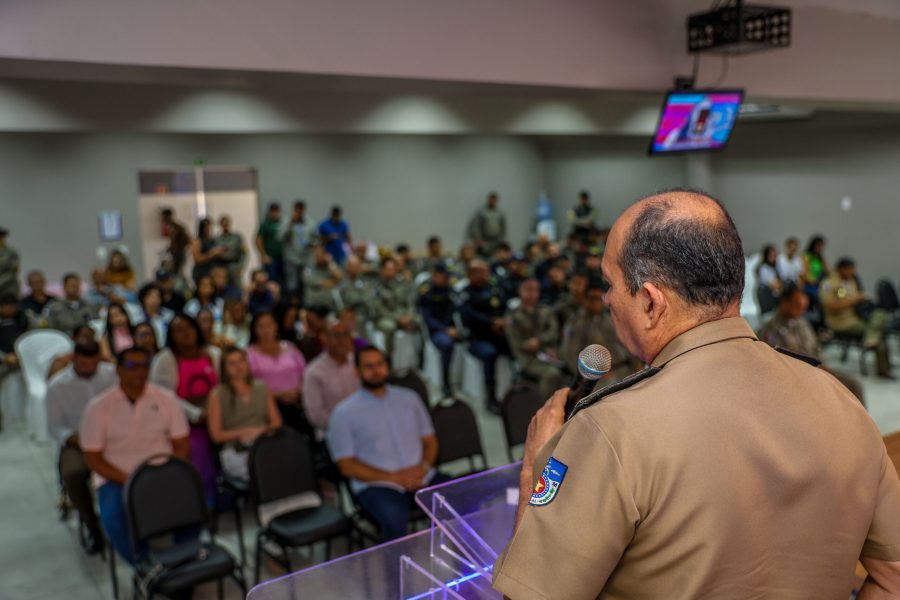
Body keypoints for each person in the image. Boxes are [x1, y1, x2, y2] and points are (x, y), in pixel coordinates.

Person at [492, 189, 900, 599]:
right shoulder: (839, 398)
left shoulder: (610, 431)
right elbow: (891, 577)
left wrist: (532, 474)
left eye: (609, 283)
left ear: (651, 302)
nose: (607, 300)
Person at [81, 346, 190, 564]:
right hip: (117, 478)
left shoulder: (166, 399)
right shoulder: (98, 407)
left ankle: (182, 562)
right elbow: (92, 458)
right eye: (132, 365)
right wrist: (130, 479)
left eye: (144, 366)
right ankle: (144, 566)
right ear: (119, 370)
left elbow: (181, 446)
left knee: (192, 507)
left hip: (162, 473)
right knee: (112, 518)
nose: (139, 371)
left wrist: (165, 474)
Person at [327, 346, 445, 541]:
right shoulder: (343, 413)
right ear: (357, 371)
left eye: (380, 364)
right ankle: (396, 569)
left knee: (461, 499)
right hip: (377, 484)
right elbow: (347, 466)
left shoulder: (409, 398)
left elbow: (430, 441)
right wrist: (394, 478)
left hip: (420, 475)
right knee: (394, 518)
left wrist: (422, 468)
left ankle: (469, 565)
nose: (376, 370)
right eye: (369, 366)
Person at [46, 337, 117, 555]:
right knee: (74, 473)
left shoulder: (110, 374)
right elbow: (55, 427)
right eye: (84, 364)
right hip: (78, 441)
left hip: (112, 436)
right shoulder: (58, 385)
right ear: (74, 358)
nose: (90, 369)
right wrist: (77, 439)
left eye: (94, 364)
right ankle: (92, 525)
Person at [149, 314, 221, 502]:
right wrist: (196, 415)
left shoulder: (213, 354)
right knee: (198, 453)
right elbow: (166, 397)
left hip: (217, 414)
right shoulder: (165, 360)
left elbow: (223, 387)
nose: (186, 333)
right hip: (183, 421)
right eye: (178, 330)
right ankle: (203, 502)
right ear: (171, 336)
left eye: (189, 327)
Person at [758, 282, 865, 402]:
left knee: (854, 385)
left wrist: (824, 367)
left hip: (819, 372)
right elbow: (775, 365)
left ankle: (858, 421)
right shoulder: (770, 329)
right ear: (784, 303)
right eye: (797, 306)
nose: (801, 311)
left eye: (804, 307)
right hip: (797, 380)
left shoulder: (801, 322)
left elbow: (814, 348)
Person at [207, 346, 282, 480]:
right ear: (224, 368)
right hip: (236, 451)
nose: (238, 367)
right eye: (232, 363)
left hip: (264, 444)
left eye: (241, 361)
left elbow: (276, 422)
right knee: (263, 470)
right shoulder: (217, 395)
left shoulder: (262, 387)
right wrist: (244, 433)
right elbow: (216, 435)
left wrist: (260, 432)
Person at [820, 257, 894, 379]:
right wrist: (855, 299)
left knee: (880, 316)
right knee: (878, 333)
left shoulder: (851, 281)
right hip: (840, 322)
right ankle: (883, 369)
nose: (853, 272)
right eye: (850, 269)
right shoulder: (828, 283)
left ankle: (877, 350)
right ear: (841, 269)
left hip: (855, 318)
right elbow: (829, 306)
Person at [459, 259, 510, 413]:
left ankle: (517, 389)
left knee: (515, 347)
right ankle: (491, 398)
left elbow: (505, 307)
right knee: (489, 354)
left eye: (485, 271)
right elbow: (468, 316)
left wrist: (502, 320)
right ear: (469, 274)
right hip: (477, 338)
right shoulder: (466, 293)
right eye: (478, 272)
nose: (483, 275)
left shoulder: (495, 289)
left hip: (498, 334)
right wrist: (491, 322)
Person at [561, 282, 638, 384]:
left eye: (599, 299)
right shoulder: (576, 323)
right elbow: (569, 355)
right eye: (592, 298)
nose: (596, 302)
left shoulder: (610, 317)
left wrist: (636, 364)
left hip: (623, 367)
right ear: (585, 299)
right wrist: (590, 375)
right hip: (594, 375)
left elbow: (627, 342)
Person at [246, 311, 309, 435]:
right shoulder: (249, 354)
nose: (266, 330)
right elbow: (246, 385)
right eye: (261, 326)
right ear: (254, 330)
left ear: (276, 326)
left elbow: (306, 374)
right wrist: (277, 395)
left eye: (269, 324)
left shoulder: (290, 347)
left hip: (297, 406)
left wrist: (298, 391)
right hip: (266, 410)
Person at [302, 317, 360, 440]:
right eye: (336, 335)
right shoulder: (314, 372)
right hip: (332, 434)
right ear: (325, 339)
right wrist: (348, 425)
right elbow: (316, 415)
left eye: (345, 335)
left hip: (363, 429)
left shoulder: (358, 364)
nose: (342, 340)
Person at [505, 278, 564, 399]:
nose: (532, 293)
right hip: (527, 358)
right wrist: (533, 345)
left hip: (548, 353)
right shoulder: (513, 315)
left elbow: (553, 332)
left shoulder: (545, 311)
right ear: (520, 291)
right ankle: (541, 406)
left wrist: (540, 341)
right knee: (552, 374)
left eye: (535, 290)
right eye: (528, 289)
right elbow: (516, 343)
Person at [418, 262, 459, 396]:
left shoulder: (450, 290)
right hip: (436, 331)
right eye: (444, 276)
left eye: (448, 277)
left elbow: (455, 312)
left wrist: (457, 328)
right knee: (447, 344)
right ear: (435, 275)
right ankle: (446, 381)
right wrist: (445, 329)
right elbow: (427, 319)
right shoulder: (426, 291)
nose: (447, 279)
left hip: (452, 328)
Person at [372, 256, 420, 360]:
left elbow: (410, 303)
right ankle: (388, 358)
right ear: (382, 270)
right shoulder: (376, 287)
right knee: (390, 327)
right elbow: (379, 309)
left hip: (404, 316)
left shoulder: (402, 284)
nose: (391, 272)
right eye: (388, 269)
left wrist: (409, 316)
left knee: (420, 322)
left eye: (393, 269)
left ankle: (420, 357)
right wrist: (398, 318)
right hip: (386, 318)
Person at [282, 200, 317, 304]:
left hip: (306, 260)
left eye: (301, 209)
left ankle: (305, 307)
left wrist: (312, 244)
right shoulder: (287, 221)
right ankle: (293, 309)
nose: (299, 212)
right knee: (292, 286)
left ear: (304, 210)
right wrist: (291, 224)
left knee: (306, 284)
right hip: (291, 260)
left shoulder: (311, 223)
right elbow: (280, 237)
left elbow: (316, 239)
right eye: (297, 209)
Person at [0, 295, 28, 397]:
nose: (9, 309)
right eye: (6, 306)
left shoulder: (23, 318)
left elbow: (32, 336)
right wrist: (5, 357)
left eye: (12, 306)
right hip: (4, 359)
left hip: (22, 357)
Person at [466, 192, 507, 257]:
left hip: (496, 240)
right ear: (488, 199)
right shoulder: (482, 211)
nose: (492, 201)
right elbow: (476, 226)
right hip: (484, 240)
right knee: (482, 256)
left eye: (494, 200)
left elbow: (503, 227)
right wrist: (478, 238)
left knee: (495, 257)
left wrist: (502, 239)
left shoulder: (500, 213)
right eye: (491, 199)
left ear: (496, 201)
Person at [304, 242, 342, 310]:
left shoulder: (329, 266)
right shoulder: (308, 267)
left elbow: (339, 278)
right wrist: (333, 282)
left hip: (328, 305)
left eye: (321, 254)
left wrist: (330, 263)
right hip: (313, 305)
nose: (319, 257)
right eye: (316, 255)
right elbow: (316, 282)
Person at [214, 214, 247, 288]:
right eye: (223, 224)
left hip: (234, 266)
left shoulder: (237, 237)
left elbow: (244, 253)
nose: (225, 226)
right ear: (220, 225)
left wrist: (241, 267)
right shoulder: (216, 239)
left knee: (238, 288)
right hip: (222, 266)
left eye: (227, 224)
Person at [255, 202, 284, 285]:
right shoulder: (266, 225)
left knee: (282, 281)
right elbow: (258, 241)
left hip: (282, 258)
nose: (275, 213)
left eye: (276, 211)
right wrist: (264, 255)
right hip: (271, 259)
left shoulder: (282, 224)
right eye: (273, 211)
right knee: (272, 281)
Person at [191, 218, 225, 285]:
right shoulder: (197, 241)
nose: (210, 229)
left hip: (212, 271)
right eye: (208, 227)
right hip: (201, 271)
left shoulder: (212, 240)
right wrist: (212, 253)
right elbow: (197, 259)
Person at [160, 208, 191, 278]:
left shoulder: (178, 227)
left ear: (169, 216)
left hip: (179, 254)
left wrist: (179, 247)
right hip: (174, 254)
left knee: (178, 274)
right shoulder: (171, 227)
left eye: (164, 217)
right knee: (173, 273)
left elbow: (187, 240)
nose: (163, 219)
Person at [0, 227, 20, 298]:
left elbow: (13, 271)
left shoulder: (11, 252)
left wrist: (1, 281)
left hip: (8, 287)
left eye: (1, 237)